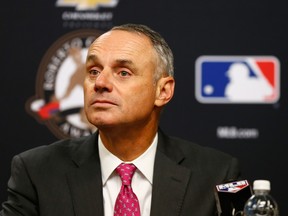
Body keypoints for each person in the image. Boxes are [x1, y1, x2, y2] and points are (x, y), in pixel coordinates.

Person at [0, 23, 241, 216]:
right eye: (93, 71)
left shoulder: (218, 174)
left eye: (123, 72)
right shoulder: (36, 172)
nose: (100, 83)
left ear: (163, 91)